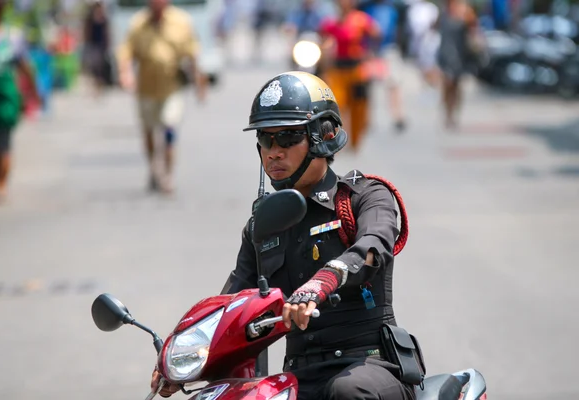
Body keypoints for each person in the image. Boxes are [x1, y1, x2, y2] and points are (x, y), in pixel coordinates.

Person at [150, 71, 415, 400]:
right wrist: (185, 358)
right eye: (265, 138)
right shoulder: (263, 226)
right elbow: (233, 301)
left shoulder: (364, 196)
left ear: (323, 135)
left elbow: (373, 248)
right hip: (298, 374)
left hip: (368, 365)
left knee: (347, 393)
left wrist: (325, 280)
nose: (273, 151)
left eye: (288, 138)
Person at [116, 0, 207, 194]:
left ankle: (167, 174)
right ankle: (153, 168)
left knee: (169, 128)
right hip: (146, 88)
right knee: (148, 130)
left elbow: (192, 53)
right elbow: (126, 51)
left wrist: (199, 82)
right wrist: (125, 73)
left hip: (171, 88)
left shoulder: (181, 21)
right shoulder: (138, 23)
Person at [0, 0, 39, 203]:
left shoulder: (11, 38)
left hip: (4, 104)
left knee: (1, 146)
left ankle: (1, 184)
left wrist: (33, 93)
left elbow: (26, 67)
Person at [318, 0, 381, 151]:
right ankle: (334, 140)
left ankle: (355, 141)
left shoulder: (361, 19)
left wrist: (369, 54)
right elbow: (322, 37)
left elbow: (377, 34)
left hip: (356, 69)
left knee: (358, 106)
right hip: (338, 69)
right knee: (336, 105)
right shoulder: (332, 22)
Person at [358, 0, 407, 132]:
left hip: (388, 49)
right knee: (367, 86)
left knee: (394, 84)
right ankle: (367, 119)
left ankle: (397, 116)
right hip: (370, 51)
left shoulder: (393, 7)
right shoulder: (365, 8)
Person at [436, 0, 479, 129]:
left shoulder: (465, 15)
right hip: (445, 54)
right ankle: (448, 113)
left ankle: (454, 113)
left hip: (460, 56)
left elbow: (473, 27)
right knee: (447, 85)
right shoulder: (444, 15)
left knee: (456, 86)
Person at [82, 0, 110, 94]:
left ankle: (99, 85)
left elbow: (106, 33)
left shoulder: (103, 18)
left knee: (99, 67)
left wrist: (107, 44)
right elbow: (87, 31)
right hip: (93, 45)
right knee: (93, 66)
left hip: (100, 45)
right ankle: (95, 85)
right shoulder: (90, 18)